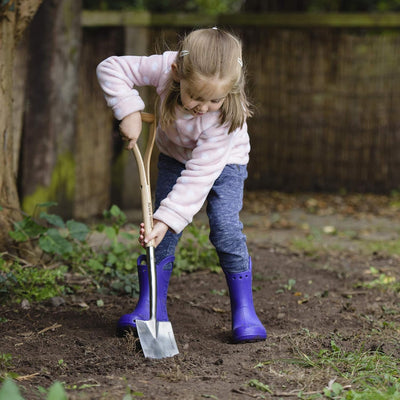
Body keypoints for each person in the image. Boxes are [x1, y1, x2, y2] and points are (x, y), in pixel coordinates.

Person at [96, 27, 266, 343]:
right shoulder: (166, 66)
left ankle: (245, 311)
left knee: (225, 228)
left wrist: (167, 218)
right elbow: (111, 68)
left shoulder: (224, 121)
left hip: (225, 163)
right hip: (174, 157)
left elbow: (200, 177)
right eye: (195, 96)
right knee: (159, 236)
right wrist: (129, 110)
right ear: (177, 73)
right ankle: (150, 308)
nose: (202, 106)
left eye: (214, 99)